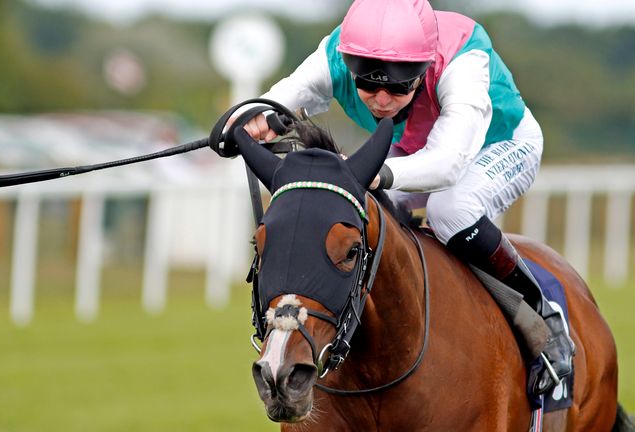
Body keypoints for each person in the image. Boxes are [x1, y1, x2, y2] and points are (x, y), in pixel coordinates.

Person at [238, 0, 573, 395]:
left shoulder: (464, 61)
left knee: (450, 210)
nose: (381, 99)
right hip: (418, 148)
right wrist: (241, 125)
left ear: (423, 69)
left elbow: (448, 164)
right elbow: (280, 100)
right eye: (368, 83)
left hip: (499, 145)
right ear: (350, 64)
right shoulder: (338, 52)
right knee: (358, 209)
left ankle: (540, 315)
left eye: (398, 86)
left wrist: (374, 174)